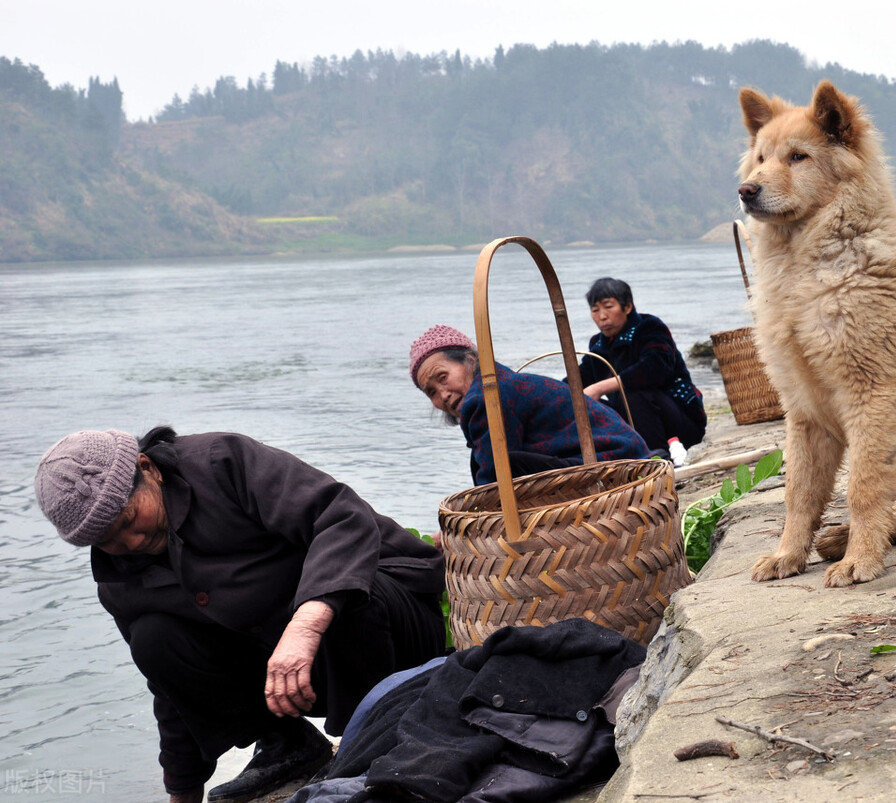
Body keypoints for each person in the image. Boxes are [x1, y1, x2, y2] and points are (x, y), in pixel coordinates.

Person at [34, 427, 447, 803]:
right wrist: (182, 791)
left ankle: (371, 736)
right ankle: (287, 745)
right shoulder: (121, 581)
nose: (132, 540)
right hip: (301, 677)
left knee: (344, 590)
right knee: (154, 637)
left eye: (128, 520)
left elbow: (342, 518)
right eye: (110, 541)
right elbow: (169, 687)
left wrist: (305, 625)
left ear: (148, 469)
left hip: (394, 625)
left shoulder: (221, 462)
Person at [409, 324, 651, 485]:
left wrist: (467, 523)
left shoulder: (484, 398)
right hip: (628, 456)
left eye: (442, 377)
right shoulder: (500, 383)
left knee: (506, 467)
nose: (443, 395)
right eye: (431, 392)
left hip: (617, 464)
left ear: (471, 360)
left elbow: (493, 481)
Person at [580, 278, 707, 455]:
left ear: (628, 307)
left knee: (633, 394)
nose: (602, 316)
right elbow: (579, 379)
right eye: (595, 310)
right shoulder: (598, 345)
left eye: (608, 307)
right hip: (636, 424)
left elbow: (655, 369)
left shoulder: (649, 327)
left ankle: (656, 455)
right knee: (584, 404)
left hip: (679, 422)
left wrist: (601, 387)